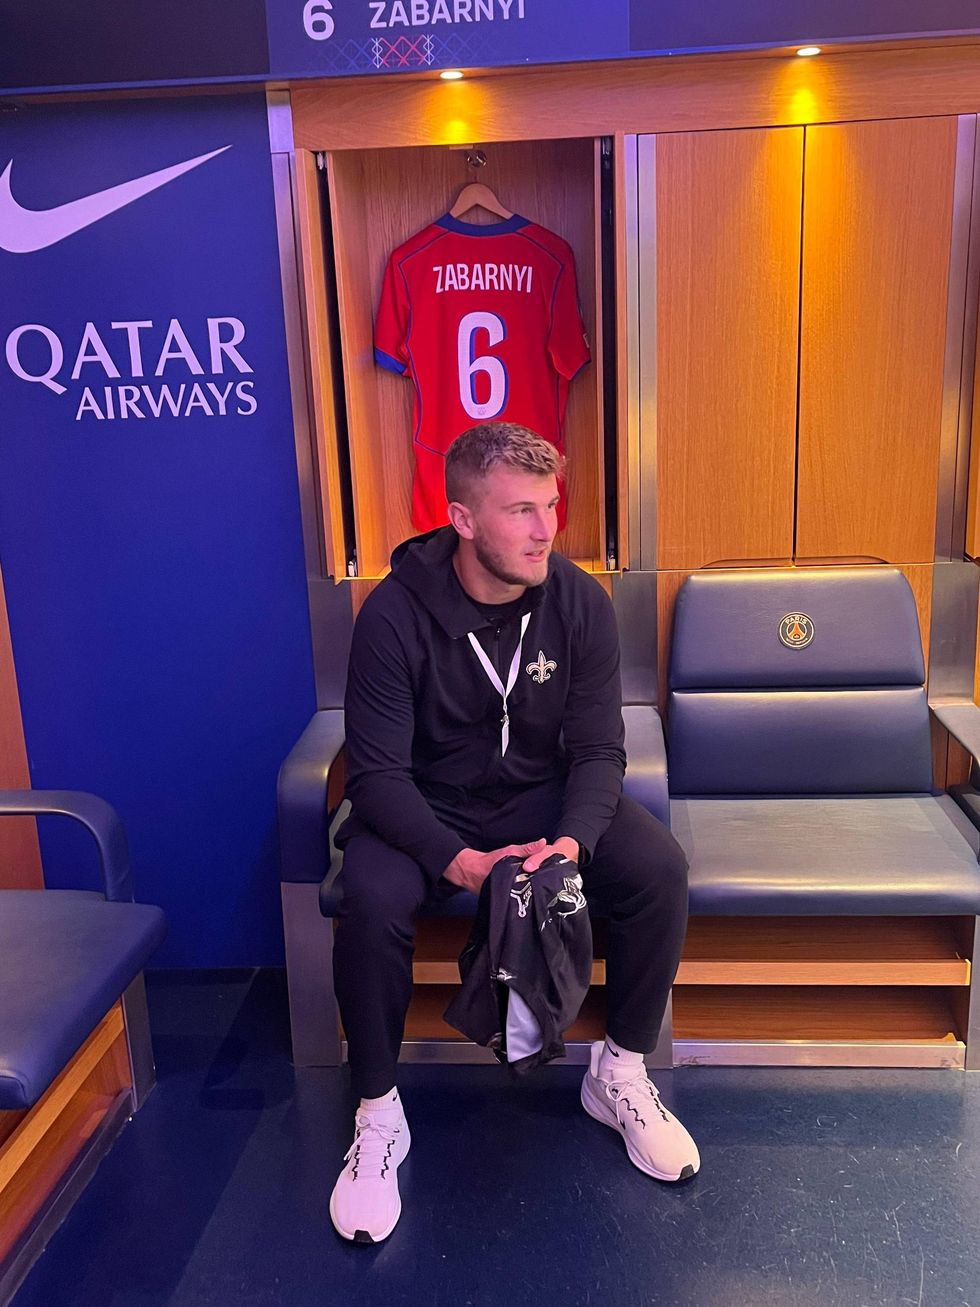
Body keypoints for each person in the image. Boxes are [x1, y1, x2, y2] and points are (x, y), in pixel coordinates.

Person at [329, 422, 698, 1244]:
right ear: (462, 520)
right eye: (521, 510)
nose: (544, 530)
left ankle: (620, 1072)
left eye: (552, 506)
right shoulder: (392, 614)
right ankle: (378, 1111)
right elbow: (377, 774)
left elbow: (602, 749)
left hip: (540, 803)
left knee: (658, 869)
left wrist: (568, 845)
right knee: (371, 894)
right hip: (428, 807)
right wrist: (455, 860)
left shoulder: (579, 603)